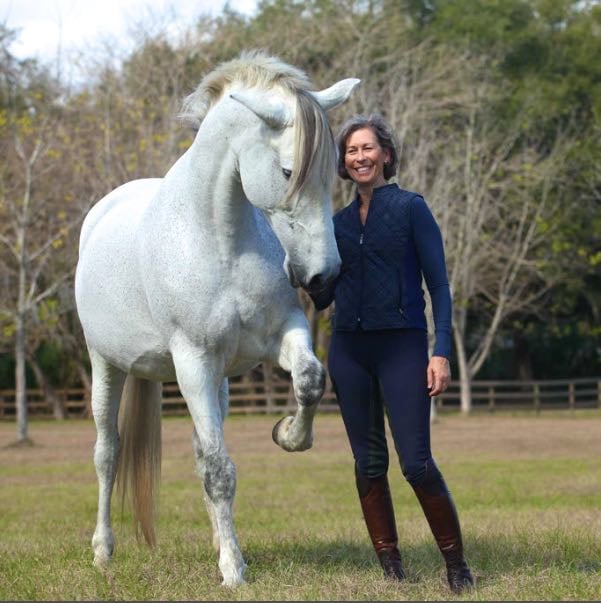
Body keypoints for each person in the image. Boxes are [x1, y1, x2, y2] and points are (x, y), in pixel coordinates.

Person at [311, 114, 474, 593]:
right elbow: (325, 296)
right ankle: (391, 567)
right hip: (349, 352)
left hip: (402, 346)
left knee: (416, 463)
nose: (359, 157)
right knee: (367, 463)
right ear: (344, 162)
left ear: (385, 154)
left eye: (367, 148)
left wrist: (439, 352)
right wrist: (299, 269)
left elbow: (440, 287)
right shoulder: (335, 224)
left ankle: (457, 566)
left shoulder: (410, 208)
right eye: (350, 151)